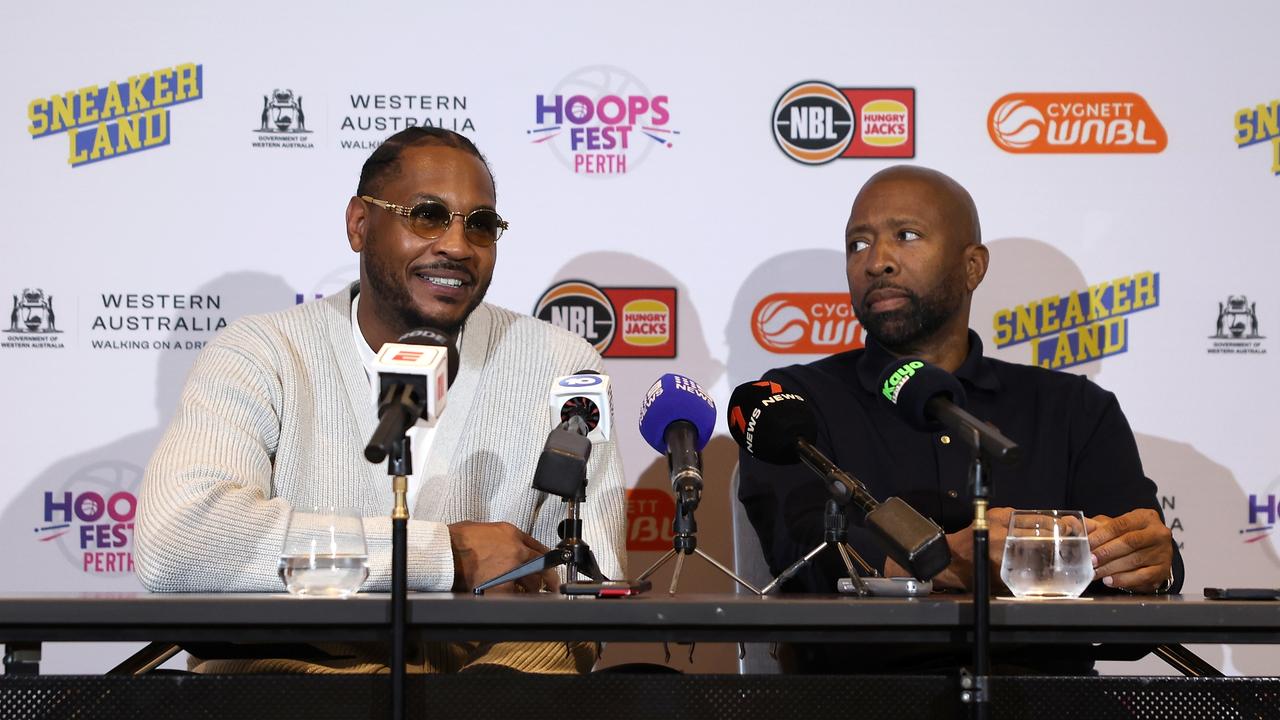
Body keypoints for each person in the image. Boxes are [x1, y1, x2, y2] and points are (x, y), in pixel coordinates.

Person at [136, 127, 628, 673]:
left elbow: (591, 583)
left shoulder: (563, 366)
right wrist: (446, 557)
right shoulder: (261, 352)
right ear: (359, 224)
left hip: (493, 678)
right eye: (427, 215)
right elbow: (178, 544)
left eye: (482, 226)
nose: (458, 246)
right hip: (300, 671)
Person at [737, 165, 1183, 673]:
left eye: (906, 236)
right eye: (858, 244)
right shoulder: (792, 402)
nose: (877, 262)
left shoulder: (1075, 408)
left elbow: (1139, 595)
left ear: (973, 266)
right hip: (861, 699)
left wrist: (1149, 566)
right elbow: (801, 557)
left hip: (1043, 702)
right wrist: (951, 559)